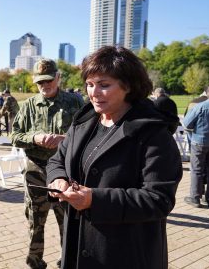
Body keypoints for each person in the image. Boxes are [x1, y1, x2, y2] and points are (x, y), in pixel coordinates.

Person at [46, 46, 182, 269]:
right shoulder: (84, 122)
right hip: (78, 247)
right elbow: (56, 160)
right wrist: (57, 179)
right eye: (90, 84)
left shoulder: (153, 134)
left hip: (125, 253)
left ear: (128, 86)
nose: (94, 93)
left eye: (104, 85)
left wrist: (94, 200)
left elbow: (159, 199)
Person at [11, 58, 84, 269]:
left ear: (58, 78)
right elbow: (15, 135)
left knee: (68, 221)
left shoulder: (74, 102)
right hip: (36, 171)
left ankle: (68, 260)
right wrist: (34, 138)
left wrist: (64, 139)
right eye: (40, 82)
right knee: (35, 221)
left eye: (49, 80)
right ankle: (35, 262)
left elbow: (88, 132)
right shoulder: (29, 106)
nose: (45, 86)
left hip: (65, 171)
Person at [183, 83, 209, 209]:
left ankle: (195, 198)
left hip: (199, 141)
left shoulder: (201, 106)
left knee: (197, 170)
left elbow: (186, 124)